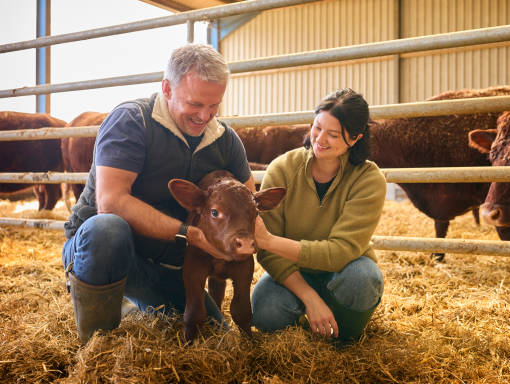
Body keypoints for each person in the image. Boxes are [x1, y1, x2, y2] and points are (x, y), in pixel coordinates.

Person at [62, 44, 254, 344]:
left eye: (214, 105)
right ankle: (96, 345)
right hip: (105, 251)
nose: (205, 116)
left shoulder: (225, 140)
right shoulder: (132, 121)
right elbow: (111, 202)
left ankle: (133, 303)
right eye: (194, 104)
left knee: (214, 337)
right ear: (167, 88)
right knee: (108, 229)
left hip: (166, 268)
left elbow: (248, 204)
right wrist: (190, 235)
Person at [252, 88, 387, 342]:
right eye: (317, 127)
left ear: (356, 138)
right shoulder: (282, 168)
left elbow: (339, 252)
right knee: (264, 310)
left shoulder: (369, 179)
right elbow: (267, 252)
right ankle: (311, 314)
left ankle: (343, 340)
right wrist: (310, 297)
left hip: (345, 271)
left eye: (333, 134)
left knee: (364, 279)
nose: (320, 139)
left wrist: (269, 241)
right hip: (294, 273)